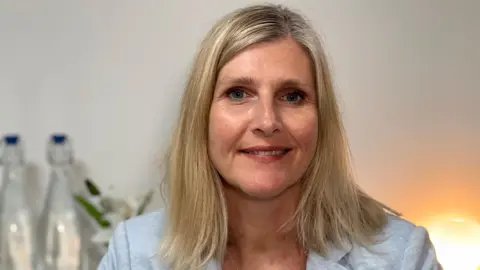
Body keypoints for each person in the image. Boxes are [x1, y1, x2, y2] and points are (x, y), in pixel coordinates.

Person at [98, 4, 441, 270]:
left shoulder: (400, 255)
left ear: (322, 119)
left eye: (292, 96)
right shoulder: (135, 253)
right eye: (238, 93)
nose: (267, 121)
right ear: (201, 116)